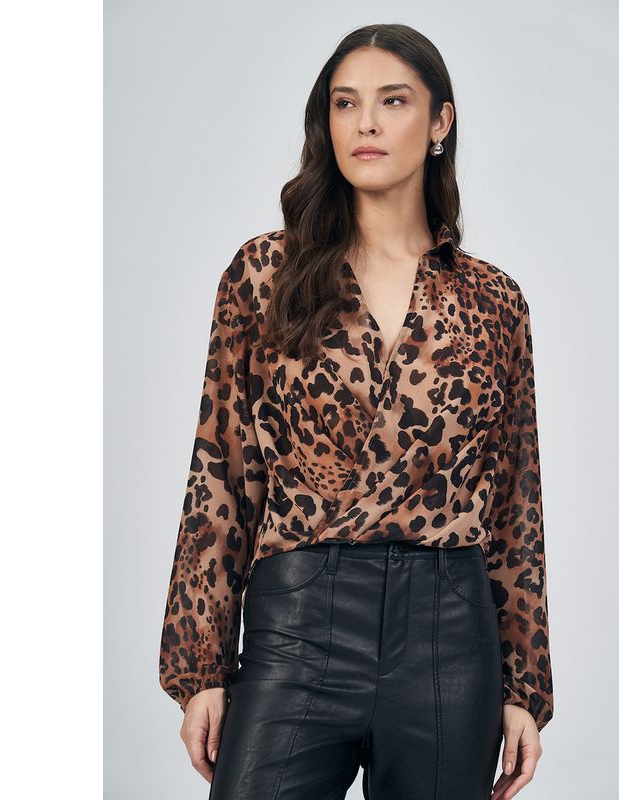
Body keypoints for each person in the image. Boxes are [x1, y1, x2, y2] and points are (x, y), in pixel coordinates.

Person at [158, 22, 553, 800]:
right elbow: (221, 474)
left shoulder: (494, 300)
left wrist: (523, 689)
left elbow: (516, 505)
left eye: (393, 101)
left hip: (449, 641)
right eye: (345, 103)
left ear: (440, 123)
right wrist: (201, 666)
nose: (365, 123)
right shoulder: (266, 274)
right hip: (298, 627)